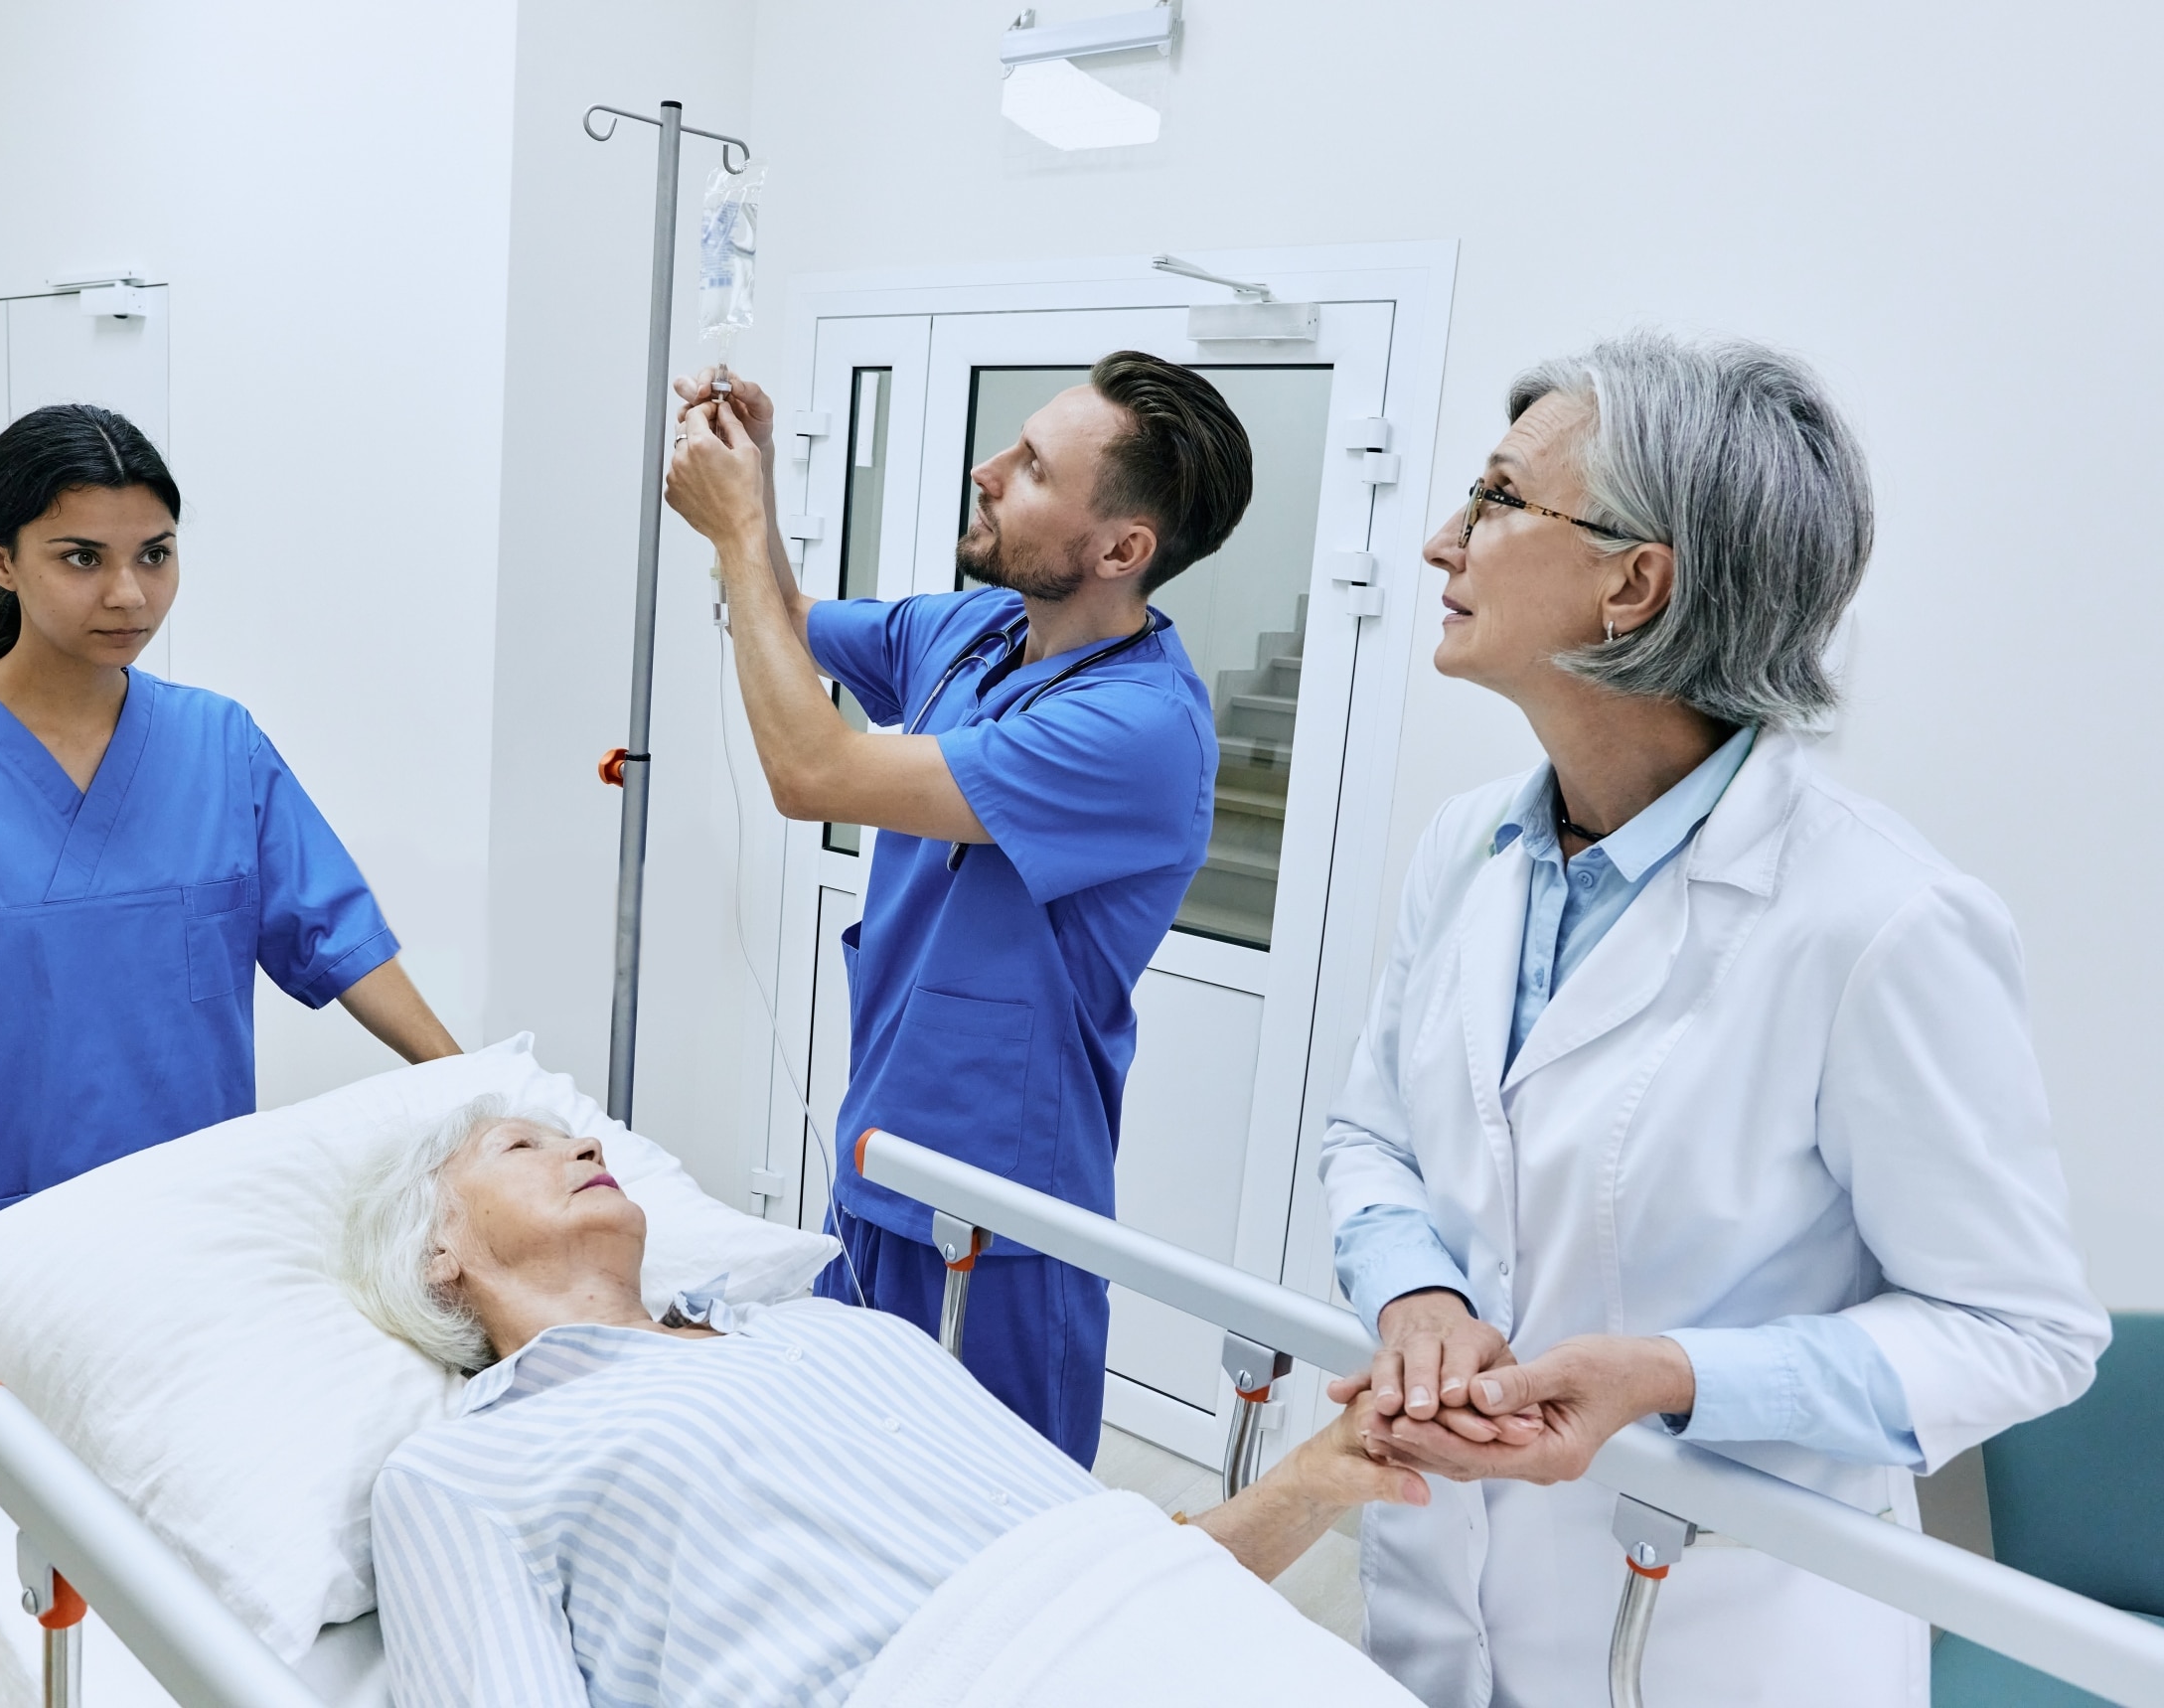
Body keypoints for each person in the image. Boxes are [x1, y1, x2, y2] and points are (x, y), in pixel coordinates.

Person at [1315, 333, 2109, 1707]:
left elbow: (2020, 1328)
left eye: (1499, 498)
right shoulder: (1468, 848)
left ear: (1636, 581)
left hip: (1720, 1637)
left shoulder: (1881, 918)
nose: (1445, 538)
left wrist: (1677, 1375)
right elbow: (1371, 1133)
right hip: (1447, 1597)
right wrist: (1417, 1286)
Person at [0, 403, 462, 1431]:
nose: (128, 593)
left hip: (196, 1224)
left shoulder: (218, 744)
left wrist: (467, 1087)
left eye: (154, 554)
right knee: (3, 1521)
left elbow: (333, 934)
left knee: (188, 1502)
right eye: (81, 558)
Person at [345, 1098, 1477, 1708]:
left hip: (1213, 1641)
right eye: (521, 1144)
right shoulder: (468, 1469)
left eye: (572, 1128)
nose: (585, 1141)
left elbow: (1100, 1565)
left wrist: (1316, 1477)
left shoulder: (826, 1325)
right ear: (438, 1248)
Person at [661, 354, 1252, 1466]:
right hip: (878, 1165)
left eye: (1030, 467)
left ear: (1123, 550)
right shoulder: (971, 637)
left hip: (1001, 1219)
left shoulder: (1138, 731)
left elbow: (812, 774)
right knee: (852, 1499)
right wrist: (754, 489)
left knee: (994, 1542)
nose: (987, 471)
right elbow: (778, 618)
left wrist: (738, 531)